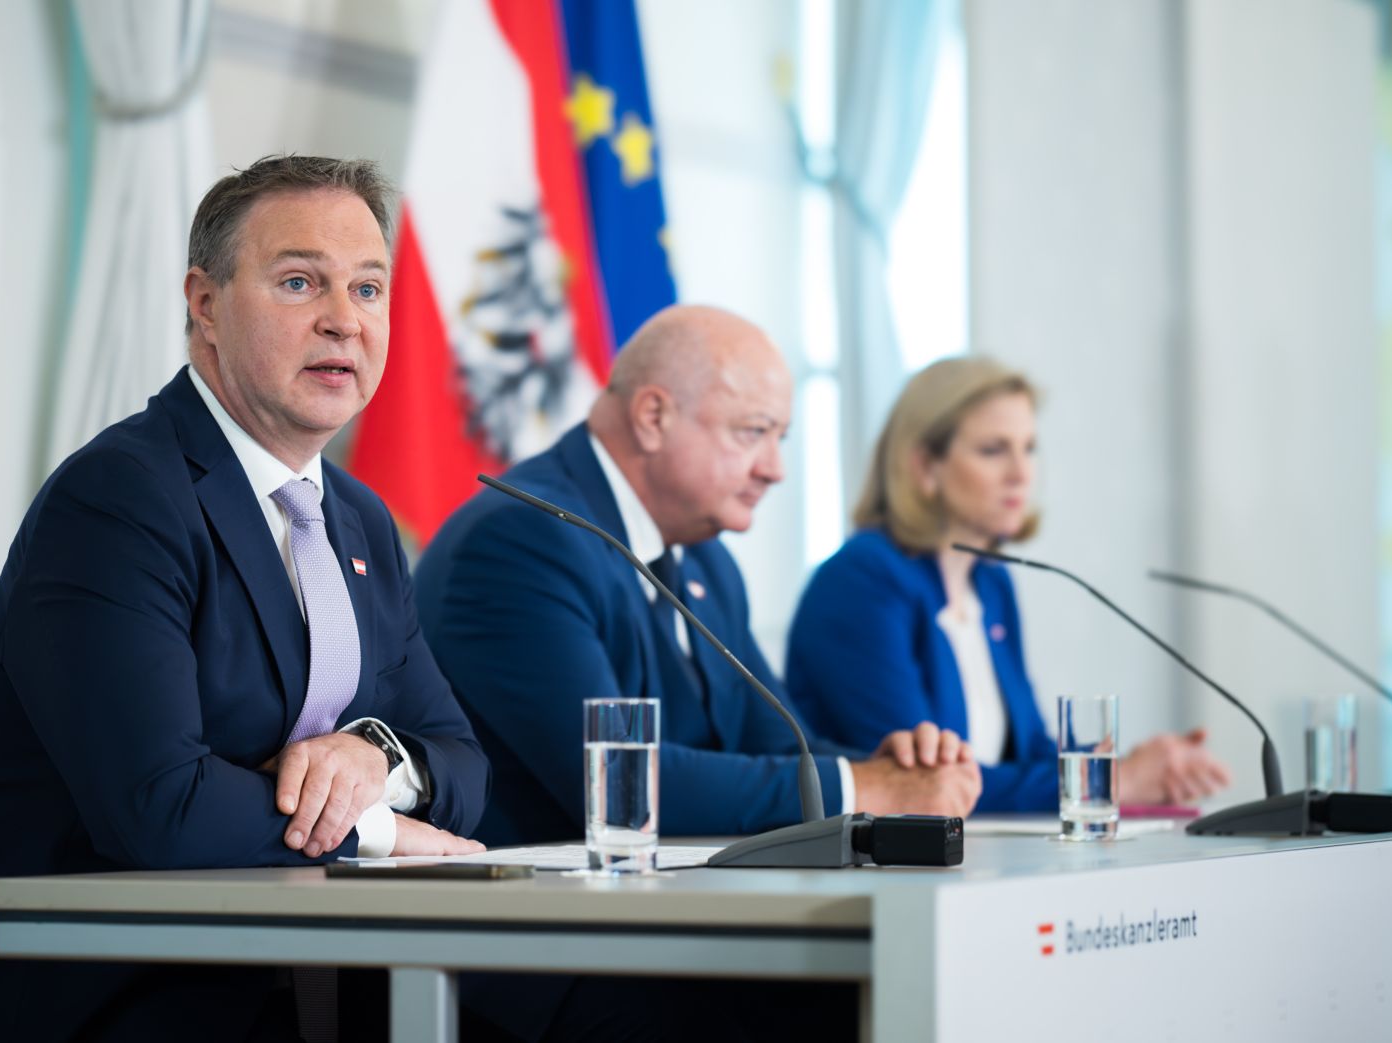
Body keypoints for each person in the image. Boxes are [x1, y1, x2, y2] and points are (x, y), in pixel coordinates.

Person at [0, 156, 489, 1041]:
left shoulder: (357, 518)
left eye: (369, 289)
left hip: (286, 969)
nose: (343, 320)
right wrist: (382, 829)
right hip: (86, 990)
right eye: (300, 281)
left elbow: (464, 768)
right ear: (204, 302)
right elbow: (161, 808)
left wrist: (377, 758)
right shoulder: (123, 496)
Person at [414, 304, 980, 1041]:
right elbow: (621, 787)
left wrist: (887, 771)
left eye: (780, 438)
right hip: (546, 957)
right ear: (652, 415)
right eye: (753, 433)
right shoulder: (524, 539)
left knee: (934, 985)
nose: (775, 467)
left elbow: (787, 748)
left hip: (669, 922)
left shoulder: (705, 557)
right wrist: (861, 787)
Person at [785, 355, 1231, 814]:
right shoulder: (862, 580)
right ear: (925, 466)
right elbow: (923, 782)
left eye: (1029, 447)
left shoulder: (992, 583)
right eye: (994, 450)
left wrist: (1137, 767)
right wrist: (1116, 779)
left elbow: (1029, 749)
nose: (1022, 472)